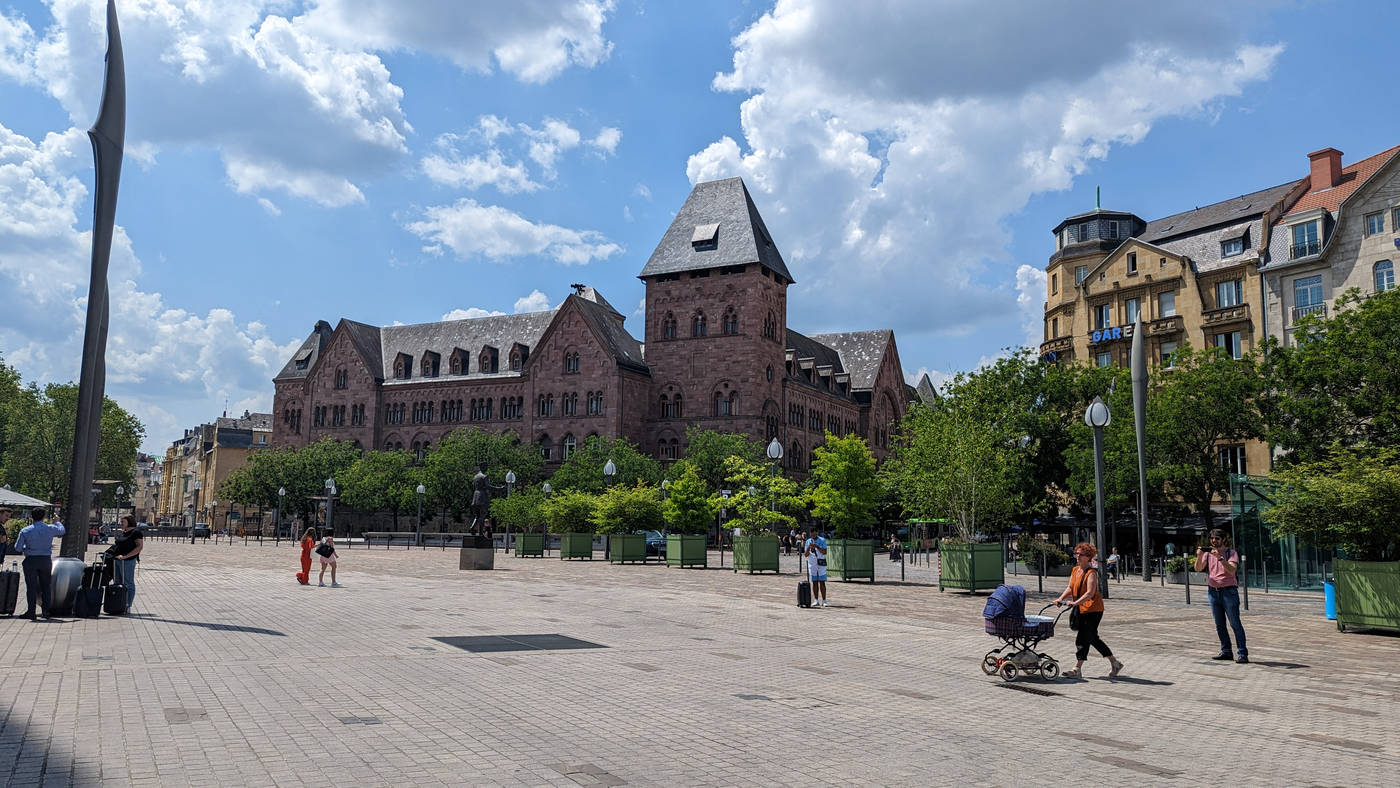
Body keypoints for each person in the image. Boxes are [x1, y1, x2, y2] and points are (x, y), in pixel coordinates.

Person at [1054, 542, 1124, 678]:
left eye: (1081, 554)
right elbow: (1070, 587)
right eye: (1077, 554)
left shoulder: (1091, 573)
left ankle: (1077, 669)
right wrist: (1060, 598)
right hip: (1081, 608)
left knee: (1083, 638)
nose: (1078, 556)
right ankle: (1115, 663)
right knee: (1092, 638)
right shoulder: (1075, 570)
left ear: (1088, 557)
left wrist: (1075, 603)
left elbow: (1090, 593)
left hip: (1093, 609)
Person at [1196, 529, 1248, 664]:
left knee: (1235, 623)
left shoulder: (1231, 553)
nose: (1214, 541)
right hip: (1213, 591)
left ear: (1223, 539)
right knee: (1219, 624)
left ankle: (1242, 653)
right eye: (1212, 538)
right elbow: (1198, 568)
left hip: (1228, 592)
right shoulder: (1208, 554)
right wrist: (1199, 556)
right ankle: (1226, 651)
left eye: (1217, 538)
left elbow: (1231, 570)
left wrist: (1220, 558)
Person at [14, 507, 65, 620]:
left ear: (32, 517)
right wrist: (57, 521)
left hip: (31, 559)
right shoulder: (50, 529)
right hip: (45, 560)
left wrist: (26, 548)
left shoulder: (25, 530)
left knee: (31, 586)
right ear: (44, 517)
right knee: (46, 586)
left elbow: (17, 548)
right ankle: (46, 611)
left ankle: (31, 611)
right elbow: (62, 530)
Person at [106, 514, 144, 611]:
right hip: (117, 559)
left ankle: (128, 604)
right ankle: (118, 603)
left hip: (128, 561)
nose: (121, 523)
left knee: (128, 582)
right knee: (117, 582)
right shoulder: (124, 532)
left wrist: (126, 556)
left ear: (129, 522)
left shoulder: (136, 532)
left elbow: (139, 547)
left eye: (123, 522)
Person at [803, 529, 829, 608]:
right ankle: (816, 600)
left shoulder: (822, 540)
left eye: (814, 534)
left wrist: (817, 546)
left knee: (822, 582)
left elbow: (824, 552)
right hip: (812, 564)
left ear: (817, 533)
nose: (813, 536)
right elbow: (806, 555)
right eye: (811, 535)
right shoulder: (808, 541)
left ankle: (824, 600)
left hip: (821, 563)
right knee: (814, 582)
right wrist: (809, 547)